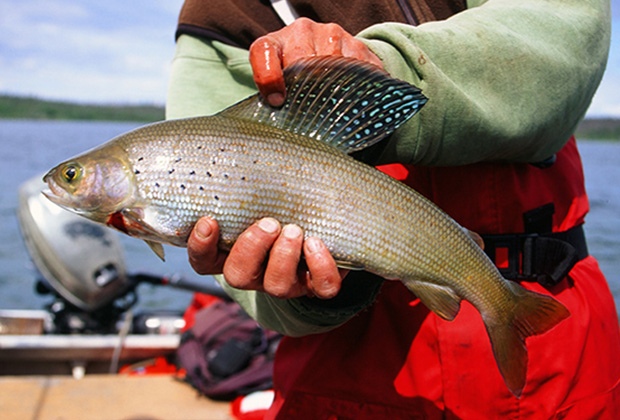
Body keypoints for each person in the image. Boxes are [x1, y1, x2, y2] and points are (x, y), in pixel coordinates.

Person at [166, 1, 620, 418]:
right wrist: (302, 291)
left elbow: (562, 45)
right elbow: (239, 272)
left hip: (562, 346)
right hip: (348, 368)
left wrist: (373, 80)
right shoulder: (221, 11)